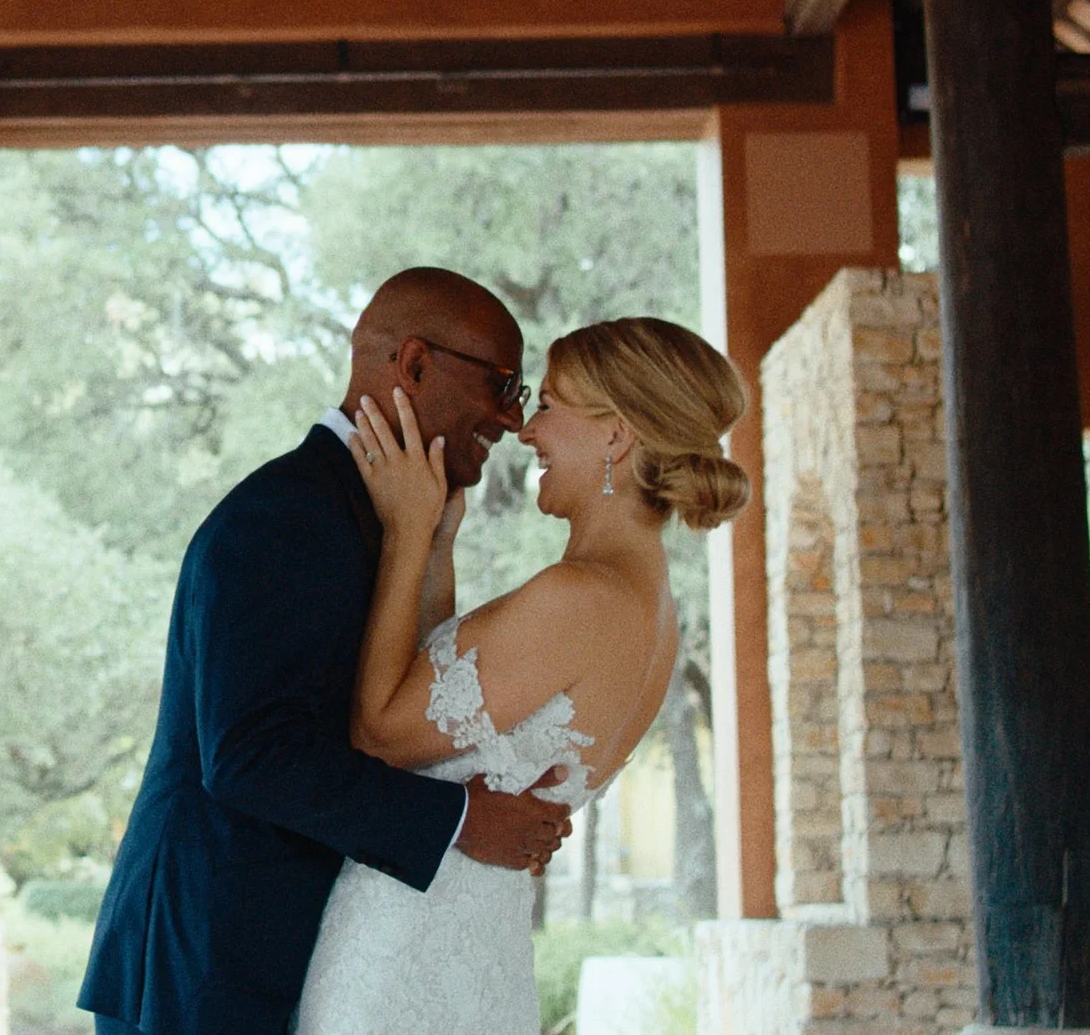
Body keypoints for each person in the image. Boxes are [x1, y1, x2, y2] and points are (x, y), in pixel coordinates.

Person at [79, 268, 576, 1035]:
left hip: (278, 963)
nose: (512, 419)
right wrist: (460, 821)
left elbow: (402, 706)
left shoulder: (385, 512)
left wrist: (430, 543)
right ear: (414, 364)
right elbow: (249, 756)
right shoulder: (288, 513)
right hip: (206, 967)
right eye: (502, 385)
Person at [294, 316, 750, 1034]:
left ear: (616, 435)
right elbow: (445, 710)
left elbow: (380, 734)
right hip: (478, 965)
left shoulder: (577, 598)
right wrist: (438, 546)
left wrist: (406, 532)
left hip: (400, 958)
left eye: (550, 404)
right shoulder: (653, 609)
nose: (528, 431)